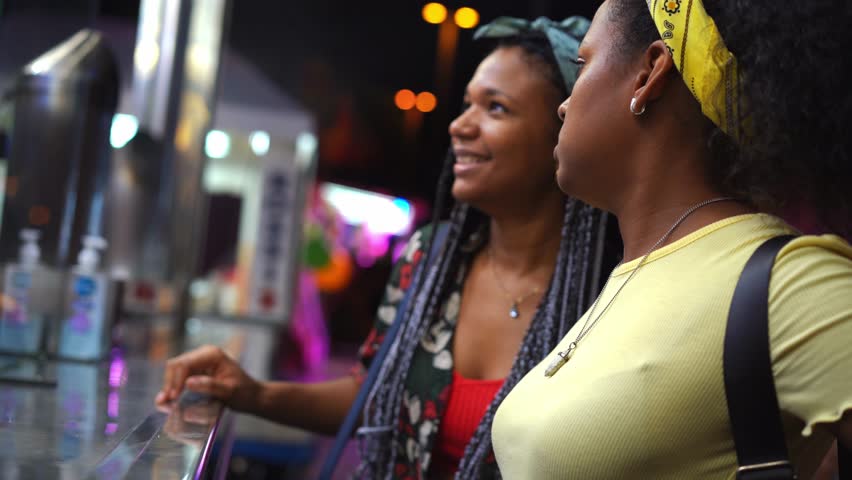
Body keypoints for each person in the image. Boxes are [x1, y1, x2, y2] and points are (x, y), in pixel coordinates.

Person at [156, 16, 613, 479]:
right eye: (466, 104)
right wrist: (253, 392)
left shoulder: (606, 292)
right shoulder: (430, 261)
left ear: (563, 130)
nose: (460, 126)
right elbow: (372, 395)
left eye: (495, 108)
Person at [491, 1, 852, 479]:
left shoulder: (789, 285)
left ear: (649, 73)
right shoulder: (635, 269)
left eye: (583, 64)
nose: (565, 101)